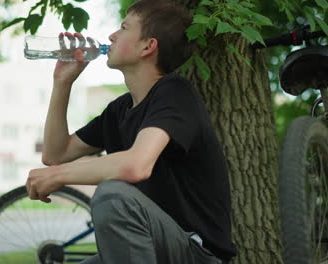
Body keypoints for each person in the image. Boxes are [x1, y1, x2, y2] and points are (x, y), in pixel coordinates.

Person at [25, 0, 237, 263]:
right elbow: (56, 153)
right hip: (153, 243)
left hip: (195, 253)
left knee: (113, 196)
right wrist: (62, 82)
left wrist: (58, 176)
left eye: (124, 28)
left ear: (148, 46)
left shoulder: (174, 93)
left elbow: (137, 165)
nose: (112, 35)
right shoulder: (120, 110)